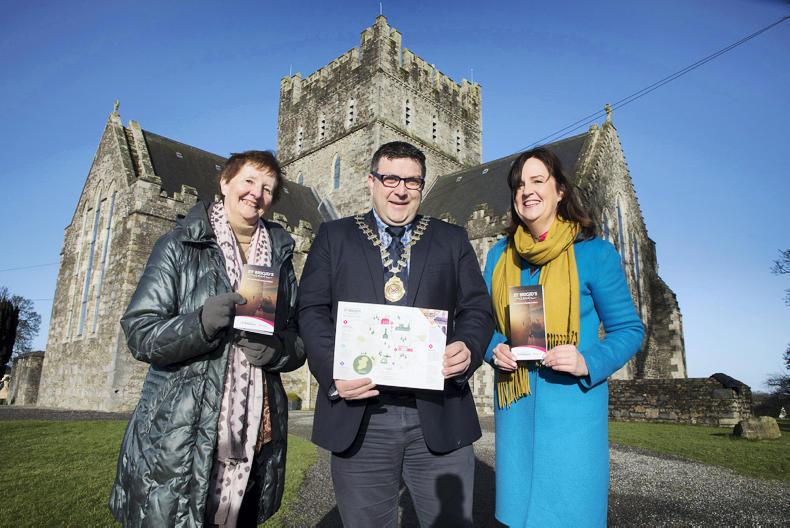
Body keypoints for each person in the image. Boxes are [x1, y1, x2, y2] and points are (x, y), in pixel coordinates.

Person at [298, 141, 494, 527]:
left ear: (422, 186)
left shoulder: (451, 239)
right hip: (361, 415)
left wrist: (468, 347)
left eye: (412, 181)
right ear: (371, 181)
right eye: (390, 178)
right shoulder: (334, 237)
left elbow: (477, 309)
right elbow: (311, 310)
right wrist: (335, 372)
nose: (400, 190)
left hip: (438, 412)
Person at [109, 151, 305, 527]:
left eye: (267, 188)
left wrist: (277, 351)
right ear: (225, 183)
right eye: (249, 181)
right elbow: (140, 332)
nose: (256, 193)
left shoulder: (280, 261)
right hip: (180, 434)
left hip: (256, 436)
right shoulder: (178, 245)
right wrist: (199, 324)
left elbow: (297, 339)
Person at [483, 147, 644, 527]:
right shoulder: (499, 257)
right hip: (516, 411)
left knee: (570, 515)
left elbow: (629, 329)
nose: (527, 190)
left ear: (560, 191)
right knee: (516, 517)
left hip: (573, 414)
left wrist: (588, 360)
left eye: (538, 181)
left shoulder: (595, 254)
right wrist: (493, 348)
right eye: (519, 184)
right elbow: (480, 323)